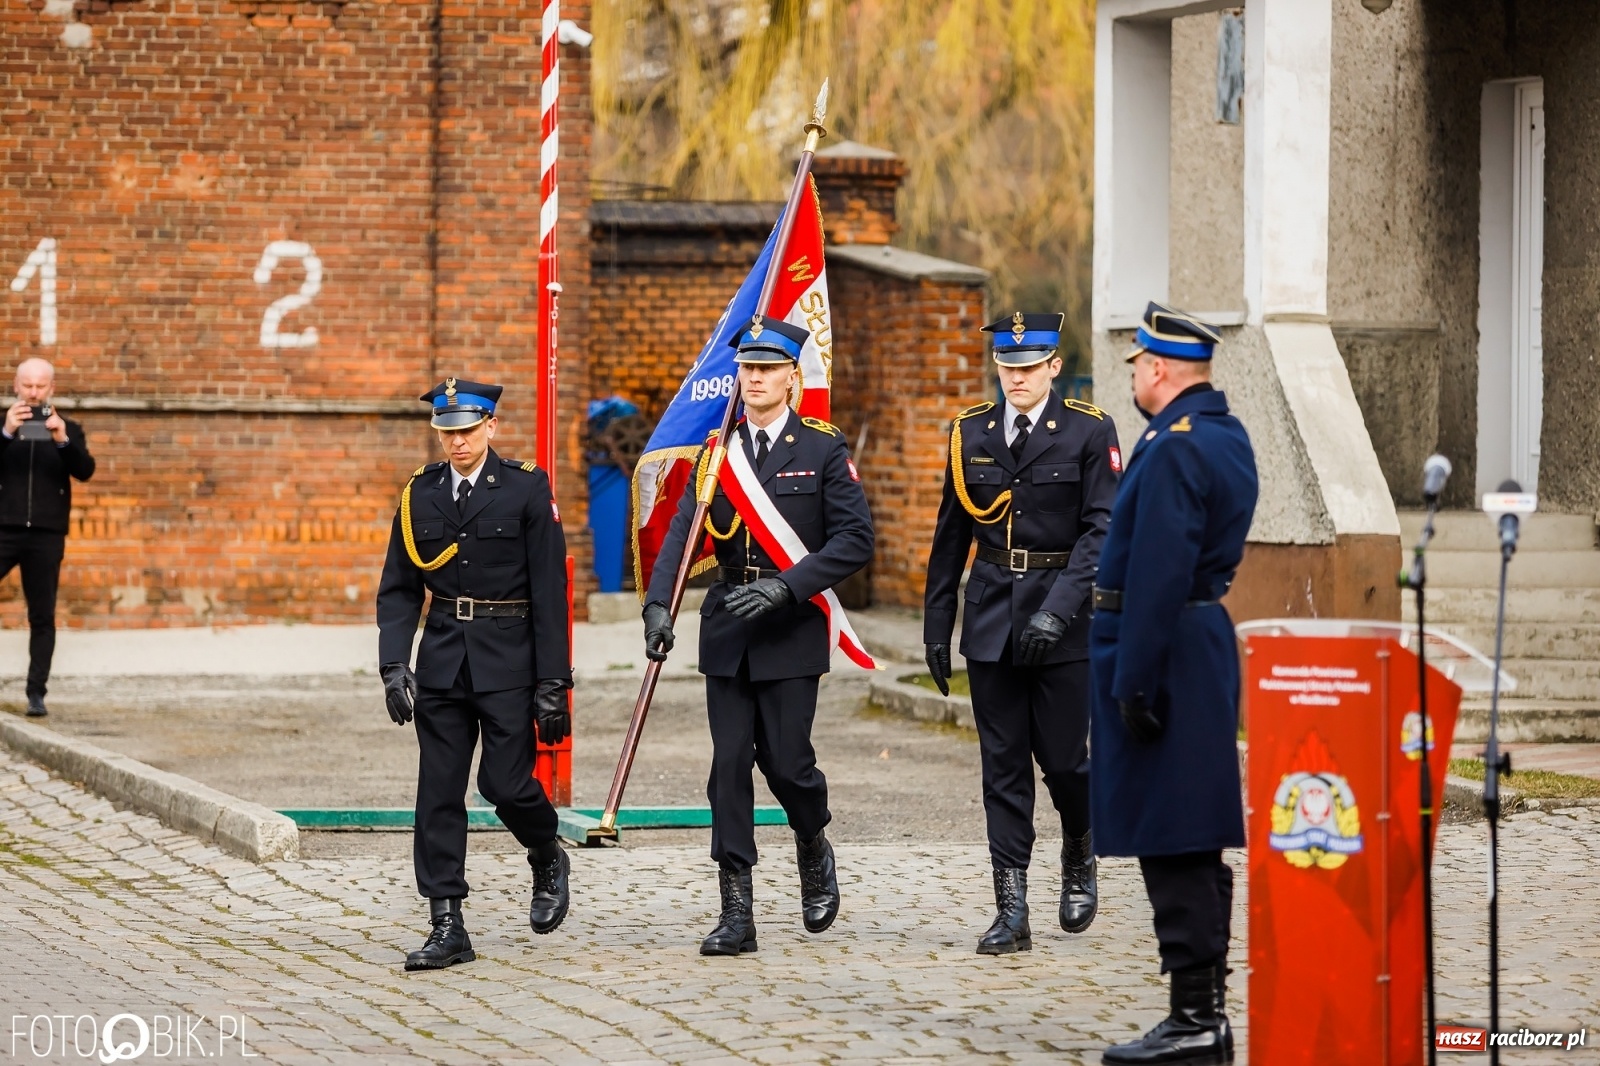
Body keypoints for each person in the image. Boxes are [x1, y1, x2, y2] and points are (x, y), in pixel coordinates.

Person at [642, 315, 874, 956]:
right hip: (728, 626)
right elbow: (683, 535)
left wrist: (787, 587)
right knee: (727, 767)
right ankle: (736, 909)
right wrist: (659, 606)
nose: (755, 379)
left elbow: (855, 540)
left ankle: (812, 839)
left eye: (767, 369)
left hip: (790, 625)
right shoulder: (718, 455)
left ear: (792, 378)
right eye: (747, 369)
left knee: (790, 764)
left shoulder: (823, 450)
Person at [1090, 304, 1259, 1064]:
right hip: (1191, 645)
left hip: (1163, 651)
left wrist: (1133, 681)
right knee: (1184, 829)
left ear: (1157, 369)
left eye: (1136, 365)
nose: (1134, 376)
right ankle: (1203, 1014)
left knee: (1177, 834)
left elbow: (1158, 571)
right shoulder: (1222, 435)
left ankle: (1196, 1019)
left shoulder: (1174, 451)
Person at [922, 312, 1120, 955]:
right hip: (988, 620)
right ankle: (1012, 909)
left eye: (1030, 367)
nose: (1017, 378)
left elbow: (1101, 529)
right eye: (1008, 368)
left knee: (1065, 761)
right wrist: (935, 622)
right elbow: (951, 535)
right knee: (1001, 767)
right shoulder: (969, 432)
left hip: (1062, 621)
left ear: (1053, 367)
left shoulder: (1089, 431)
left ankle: (1080, 845)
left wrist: (1058, 610)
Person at [375, 377, 574, 971]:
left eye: (466, 431)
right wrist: (393, 665)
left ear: (491, 426)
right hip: (442, 661)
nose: (456, 443)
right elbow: (398, 589)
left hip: (510, 660)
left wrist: (553, 681)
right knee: (437, 792)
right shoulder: (420, 495)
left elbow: (550, 592)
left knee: (505, 785)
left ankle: (546, 851)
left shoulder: (526, 489)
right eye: (447, 433)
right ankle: (447, 923)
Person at [0, 358, 96, 718]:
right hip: (4, 529)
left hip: (46, 535)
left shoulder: (68, 429)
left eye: (41, 386)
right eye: (28, 385)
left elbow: (85, 470)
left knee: (42, 616)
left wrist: (62, 439)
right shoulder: (2, 426)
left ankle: (36, 693)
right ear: (16, 386)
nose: (34, 392)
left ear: (51, 388)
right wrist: (6, 433)